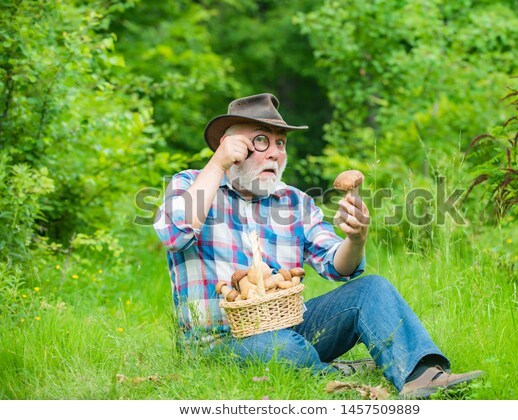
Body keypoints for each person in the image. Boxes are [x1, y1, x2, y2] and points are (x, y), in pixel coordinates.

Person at [153, 93, 483, 398]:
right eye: (261, 140)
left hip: (290, 326)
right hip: (220, 343)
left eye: (280, 143)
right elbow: (174, 234)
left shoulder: (295, 202)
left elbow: (338, 267)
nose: (275, 152)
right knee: (281, 347)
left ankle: (423, 377)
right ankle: (336, 376)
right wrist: (217, 164)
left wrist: (356, 238)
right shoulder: (193, 183)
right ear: (229, 145)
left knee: (372, 289)